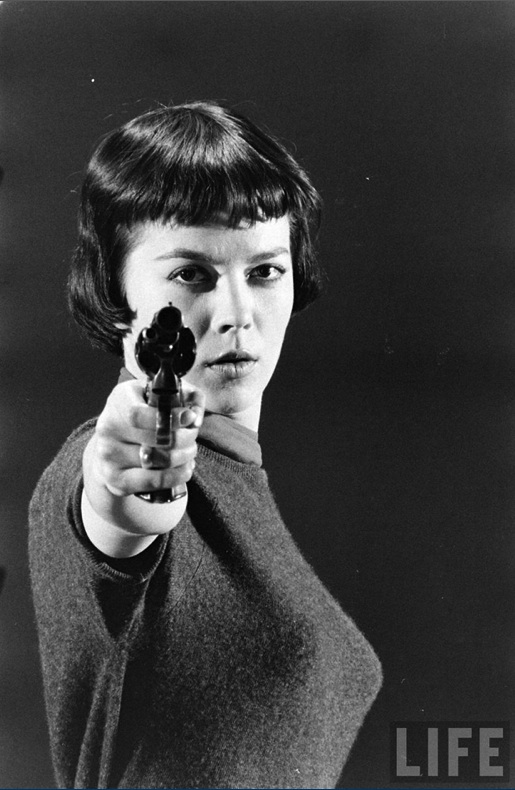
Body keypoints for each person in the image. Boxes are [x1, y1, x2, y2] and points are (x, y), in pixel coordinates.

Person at [29, 101, 382, 789]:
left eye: (265, 271)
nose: (236, 315)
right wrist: (122, 482)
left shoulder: (235, 476)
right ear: (115, 288)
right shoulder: (110, 458)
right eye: (191, 274)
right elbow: (118, 506)